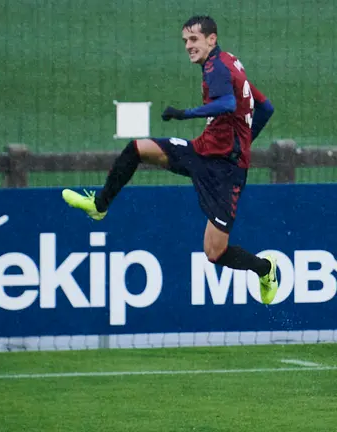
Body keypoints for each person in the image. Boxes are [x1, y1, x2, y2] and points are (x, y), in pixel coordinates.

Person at [61, 15, 279, 304]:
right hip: (201, 152)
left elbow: (227, 103)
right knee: (138, 148)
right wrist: (243, 142)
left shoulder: (216, 67)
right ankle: (100, 205)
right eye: (185, 41)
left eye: (194, 39)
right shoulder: (228, 63)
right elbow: (265, 107)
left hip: (225, 172)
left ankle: (265, 269)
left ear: (211, 39)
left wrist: (183, 114)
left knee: (215, 253)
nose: (188, 46)